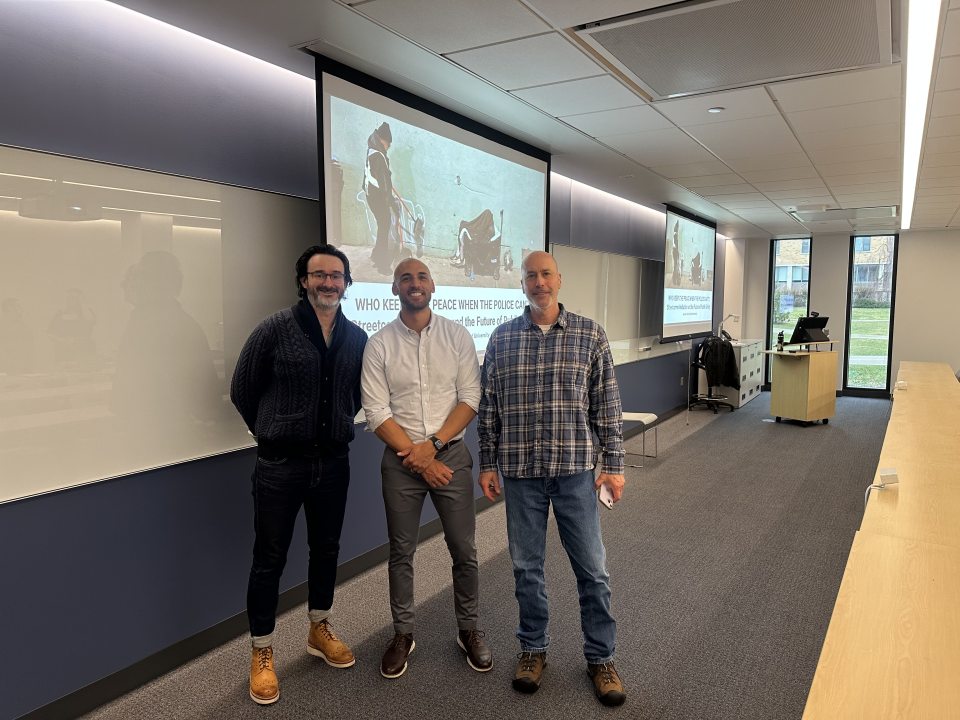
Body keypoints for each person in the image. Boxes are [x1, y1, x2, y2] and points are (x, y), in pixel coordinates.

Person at [477, 250, 627, 707]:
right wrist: (486, 463)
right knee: (527, 570)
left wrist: (615, 465)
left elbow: (607, 406)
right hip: (521, 474)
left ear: (559, 280)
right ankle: (533, 650)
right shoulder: (501, 340)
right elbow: (489, 411)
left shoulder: (590, 335)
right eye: (530, 276)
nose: (538, 282)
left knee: (593, 571)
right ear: (521, 284)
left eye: (546, 274)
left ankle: (601, 658)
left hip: (575, 474)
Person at [230, 244, 368, 705]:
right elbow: (242, 389)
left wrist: (331, 426)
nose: (328, 283)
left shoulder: (356, 337)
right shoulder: (274, 329)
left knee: (326, 548)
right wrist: (274, 431)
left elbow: (356, 397)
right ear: (304, 281)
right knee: (269, 558)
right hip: (279, 465)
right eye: (319, 275)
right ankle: (262, 651)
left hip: (333, 463)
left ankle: (318, 626)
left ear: (347, 284)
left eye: (336, 276)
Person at [361, 258, 492, 679]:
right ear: (394, 289)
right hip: (400, 463)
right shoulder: (379, 344)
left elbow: (470, 397)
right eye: (405, 278)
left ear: (433, 286)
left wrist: (433, 448)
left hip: (449, 457)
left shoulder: (457, 336)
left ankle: (468, 629)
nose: (414, 284)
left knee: (464, 551)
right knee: (401, 552)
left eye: (421, 277)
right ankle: (403, 634)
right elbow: (376, 410)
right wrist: (418, 457)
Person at [364, 121, 396, 274]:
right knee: (385, 225)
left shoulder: (371, 151)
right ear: (381, 139)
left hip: (371, 195)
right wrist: (391, 201)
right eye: (388, 143)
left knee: (382, 225)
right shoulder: (378, 156)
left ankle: (376, 254)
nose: (388, 146)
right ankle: (382, 264)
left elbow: (380, 176)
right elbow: (384, 183)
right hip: (378, 197)